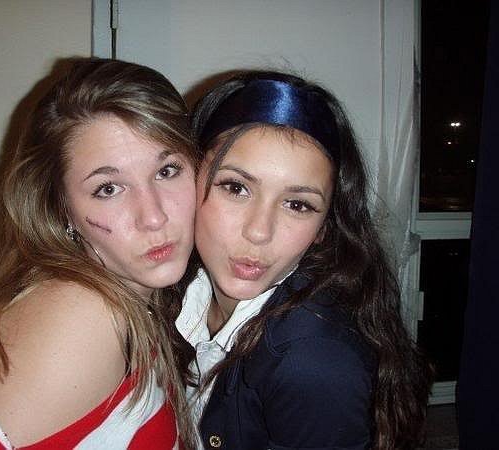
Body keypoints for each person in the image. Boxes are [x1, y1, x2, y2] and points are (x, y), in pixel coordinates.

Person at [0, 57, 198, 449]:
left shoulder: (127, 300)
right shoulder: (81, 317)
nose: (154, 217)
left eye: (167, 170)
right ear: (61, 209)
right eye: (108, 189)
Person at [175, 71, 432, 449]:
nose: (259, 232)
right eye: (236, 187)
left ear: (324, 227)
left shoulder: (312, 363)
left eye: (297, 204)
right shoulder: (173, 285)